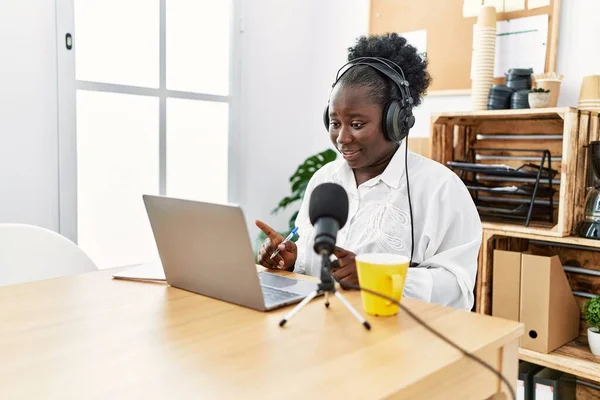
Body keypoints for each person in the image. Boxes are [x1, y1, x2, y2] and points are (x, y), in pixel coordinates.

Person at [255, 33, 482, 310]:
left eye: (357, 124)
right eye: (335, 122)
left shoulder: (440, 189)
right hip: (321, 329)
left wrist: (376, 277)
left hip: (400, 339)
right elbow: (313, 265)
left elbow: (458, 288)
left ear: (397, 122)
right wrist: (292, 260)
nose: (342, 137)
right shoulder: (324, 180)